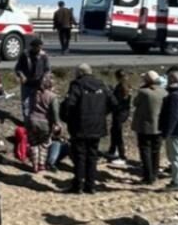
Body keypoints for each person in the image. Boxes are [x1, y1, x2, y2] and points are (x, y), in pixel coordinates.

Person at [62, 63, 112, 194]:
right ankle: (91, 185)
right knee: (92, 156)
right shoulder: (101, 84)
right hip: (97, 126)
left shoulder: (77, 85)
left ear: (80, 73)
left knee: (80, 156)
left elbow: (69, 104)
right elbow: (113, 102)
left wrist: (68, 119)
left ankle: (78, 185)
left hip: (80, 126)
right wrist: (101, 114)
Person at [132, 71, 166, 185]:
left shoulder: (143, 92)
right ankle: (155, 173)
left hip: (145, 126)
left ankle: (148, 176)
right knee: (156, 151)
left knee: (145, 150)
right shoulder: (164, 92)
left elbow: (135, 103)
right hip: (159, 126)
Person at [27, 74, 62, 173]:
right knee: (44, 144)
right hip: (45, 123)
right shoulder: (52, 96)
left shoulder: (33, 93)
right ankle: (41, 164)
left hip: (32, 121)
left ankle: (34, 165)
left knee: (33, 143)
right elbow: (55, 112)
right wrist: (57, 124)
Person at [15, 38, 51, 121]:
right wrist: (21, 75)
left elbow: (47, 70)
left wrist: (45, 78)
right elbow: (18, 68)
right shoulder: (25, 55)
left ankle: (36, 119)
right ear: (33, 47)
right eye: (38, 47)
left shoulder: (44, 56)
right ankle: (27, 120)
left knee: (37, 102)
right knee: (26, 103)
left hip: (38, 83)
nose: (39, 49)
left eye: (40, 47)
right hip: (27, 82)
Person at [106, 69, 133, 166]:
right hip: (123, 112)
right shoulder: (127, 85)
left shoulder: (121, 87)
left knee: (117, 133)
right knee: (114, 131)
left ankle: (122, 155)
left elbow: (117, 101)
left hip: (119, 112)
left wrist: (111, 94)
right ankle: (112, 150)